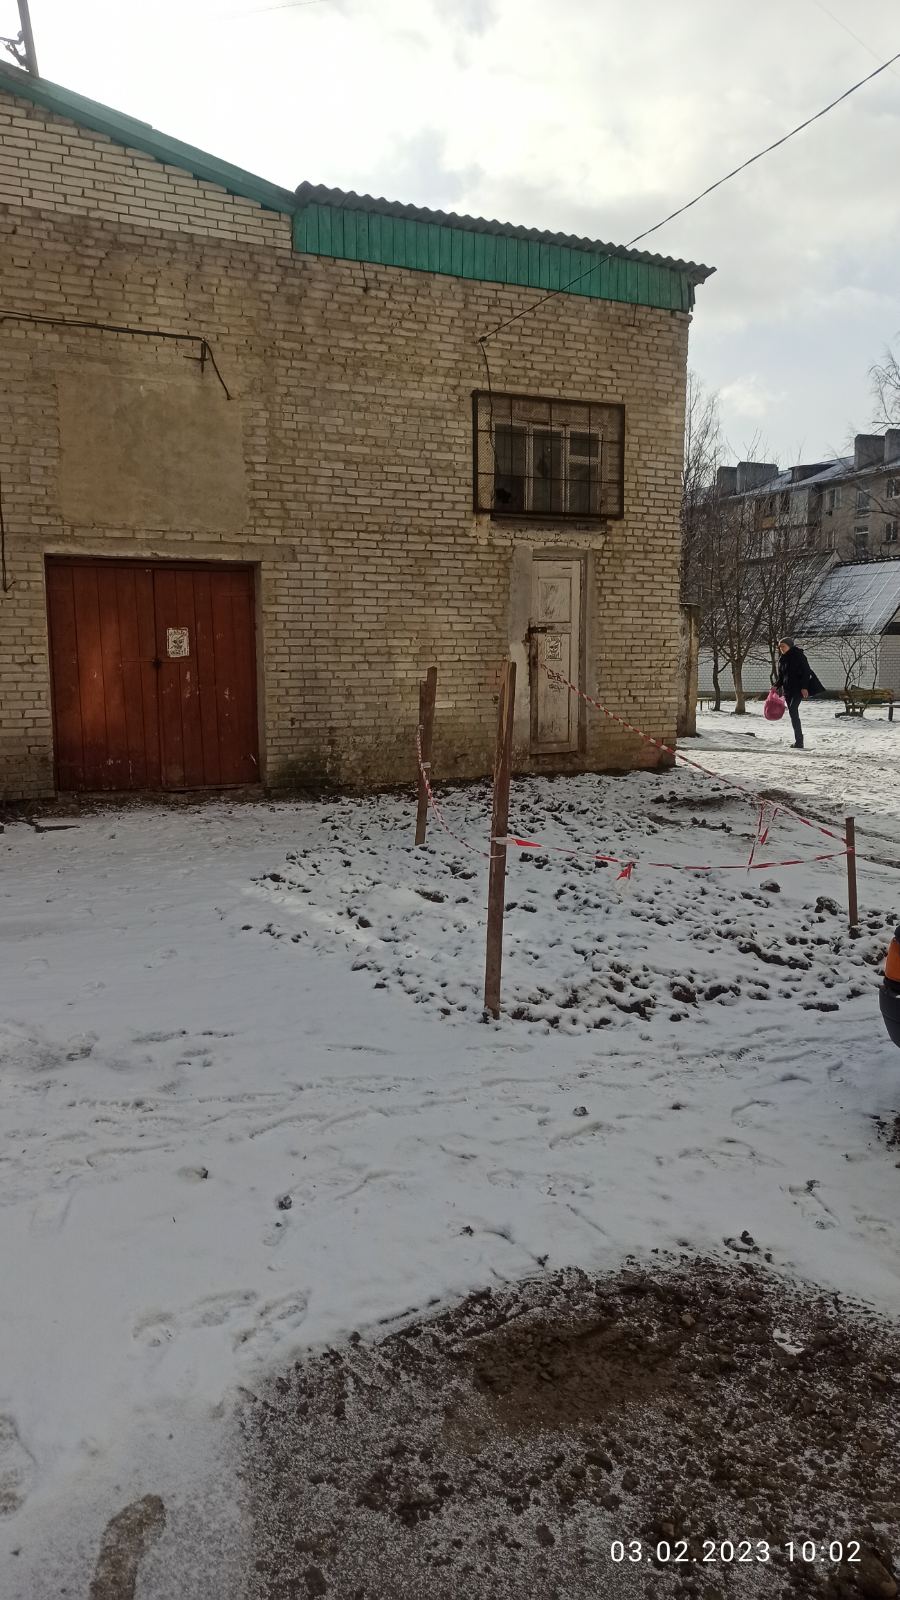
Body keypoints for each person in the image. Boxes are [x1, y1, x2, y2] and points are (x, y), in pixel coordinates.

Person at [775, 638, 823, 750]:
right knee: (793, 714)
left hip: (798, 689)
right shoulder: (782, 659)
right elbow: (782, 676)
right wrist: (776, 686)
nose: (781, 648)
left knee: (793, 710)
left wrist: (804, 687)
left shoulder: (799, 656)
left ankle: (799, 741)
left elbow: (806, 672)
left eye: (783, 646)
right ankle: (798, 741)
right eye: (780, 647)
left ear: (790, 646)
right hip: (788, 690)